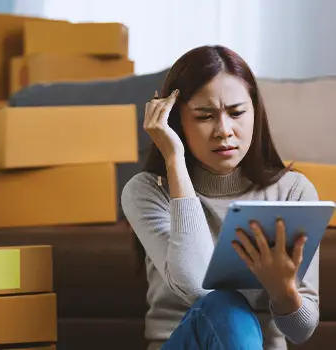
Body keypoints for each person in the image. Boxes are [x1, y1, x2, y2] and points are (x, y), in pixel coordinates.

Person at [121, 45, 320, 350]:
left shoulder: (293, 191)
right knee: (225, 303)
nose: (224, 131)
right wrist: (174, 159)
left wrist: (283, 292)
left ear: (255, 112)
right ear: (176, 122)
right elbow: (195, 284)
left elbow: (301, 331)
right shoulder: (147, 191)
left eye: (237, 113)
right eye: (204, 117)